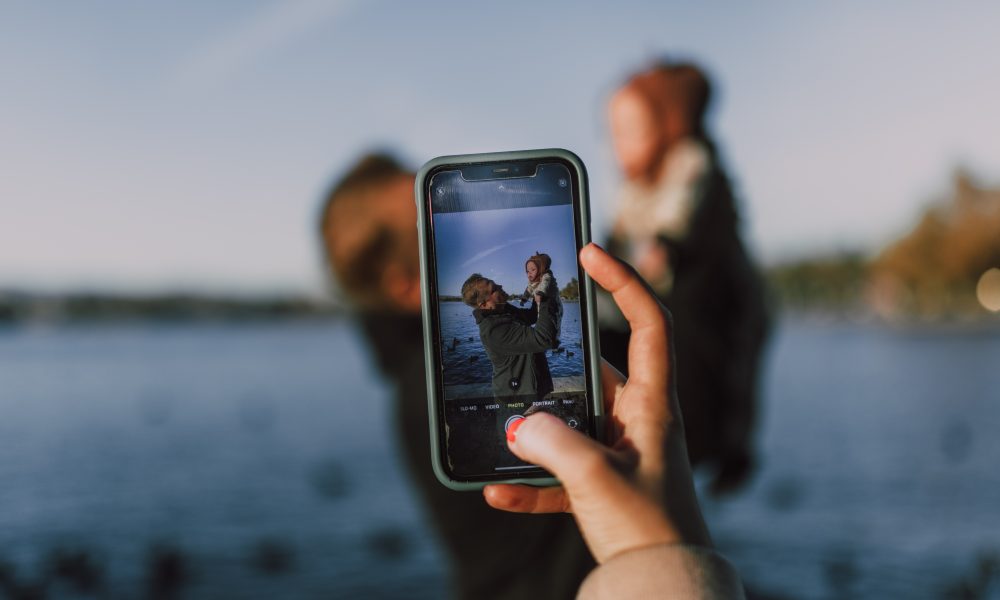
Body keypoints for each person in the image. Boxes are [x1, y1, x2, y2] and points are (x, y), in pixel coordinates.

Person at [319, 153, 594, 599]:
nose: (462, 209)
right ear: (406, 283)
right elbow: (700, 416)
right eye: (426, 210)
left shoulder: (427, 366)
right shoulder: (425, 389)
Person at [485, 243, 745, 599]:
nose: (518, 279)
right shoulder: (514, 313)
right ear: (484, 302)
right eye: (494, 290)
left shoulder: (534, 296)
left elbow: (544, 334)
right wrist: (668, 546)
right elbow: (543, 336)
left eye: (532, 269)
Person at [603, 61, 770, 495]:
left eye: (631, 131)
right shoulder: (634, 188)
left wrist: (663, 249)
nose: (618, 146)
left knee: (718, 388)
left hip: (721, 310)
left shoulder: (691, 167)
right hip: (674, 303)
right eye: (613, 134)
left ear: (670, 123)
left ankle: (722, 453)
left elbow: (679, 227)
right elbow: (619, 235)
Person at [461, 273, 554, 401]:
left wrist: (537, 288)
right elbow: (544, 339)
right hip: (518, 399)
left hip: (535, 391)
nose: (500, 285)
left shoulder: (503, 309)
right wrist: (544, 296)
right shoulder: (493, 330)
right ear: (484, 304)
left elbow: (532, 316)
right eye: (494, 289)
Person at [520, 252, 563, 348]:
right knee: (540, 317)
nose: (529, 273)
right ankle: (543, 335)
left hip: (553, 304)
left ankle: (555, 338)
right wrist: (524, 298)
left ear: (541, 268)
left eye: (533, 269)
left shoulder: (546, 276)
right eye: (527, 271)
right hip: (541, 302)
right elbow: (529, 289)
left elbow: (545, 284)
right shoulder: (533, 281)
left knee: (554, 320)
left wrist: (540, 293)